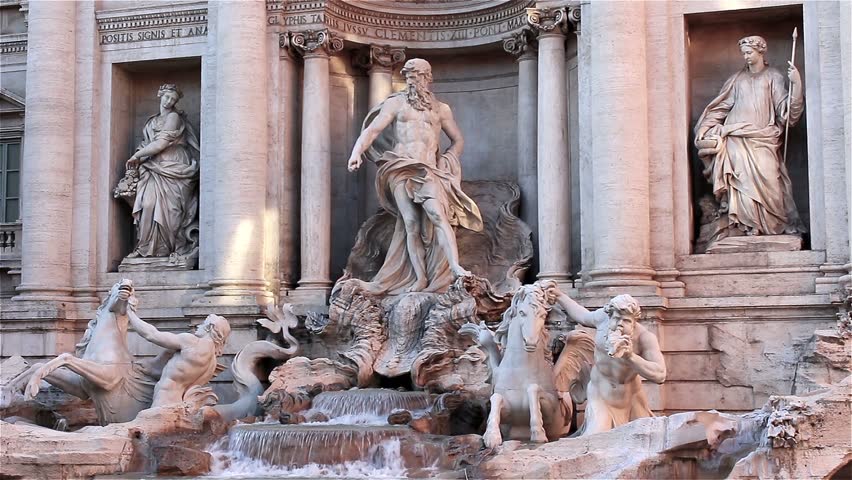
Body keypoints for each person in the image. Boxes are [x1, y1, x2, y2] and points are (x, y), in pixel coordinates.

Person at [346, 58, 483, 294]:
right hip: (400, 167)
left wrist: (448, 158)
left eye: (417, 76)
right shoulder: (396, 103)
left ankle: (455, 267)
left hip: (428, 169)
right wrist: (356, 152)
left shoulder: (441, 109)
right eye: (409, 76)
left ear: (428, 78)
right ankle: (420, 278)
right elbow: (374, 129)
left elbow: (458, 140)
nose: (413, 80)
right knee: (410, 222)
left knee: (437, 215)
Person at [694, 35, 805, 237]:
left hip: (764, 139)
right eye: (743, 53)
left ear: (760, 51)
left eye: (749, 52)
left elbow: (787, 113)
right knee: (740, 182)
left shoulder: (773, 77)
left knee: (771, 179)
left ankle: (771, 226)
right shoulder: (736, 80)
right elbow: (719, 109)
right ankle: (744, 226)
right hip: (735, 138)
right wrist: (705, 127)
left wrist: (796, 85)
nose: (745, 57)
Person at [541, 282, 666, 436]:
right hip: (600, 394)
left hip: (631, 398)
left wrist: (630, 356)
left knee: (645, 439)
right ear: (610, 316)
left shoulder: (645, 337)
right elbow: (582, 315)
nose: (620, 324)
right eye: (617, 318)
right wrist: (560, 296)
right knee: (596, 437)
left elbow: (660, 375)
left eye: (626, 321)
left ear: (634, 321)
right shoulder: (602, 319)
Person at [125, 84, 200, 258]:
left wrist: (137, 156)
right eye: (167, 97)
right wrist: (140, 157)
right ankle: (145, 248)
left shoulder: (174, 117)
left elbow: (161, 144)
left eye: (173, 99)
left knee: (172, 211)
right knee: (148, 205)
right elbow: (148, 143)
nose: (169, 101)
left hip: (174, 166)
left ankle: (167, 250)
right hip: (153, 166)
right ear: (160, 95)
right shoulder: (151, 121)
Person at [126, 304, 230, 408]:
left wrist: (130, 313)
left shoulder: (192, 342)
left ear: (209, 327)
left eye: (203, 324)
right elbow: (179, 375)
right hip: (179, 404)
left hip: (164, 402)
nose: (198, 326)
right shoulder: (212, 363)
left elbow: (152, 334)